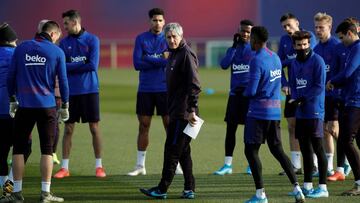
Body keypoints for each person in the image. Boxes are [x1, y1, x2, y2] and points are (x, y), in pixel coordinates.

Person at [0, 20, 68, 203]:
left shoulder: (21, 48)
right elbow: (63, 82)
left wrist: (13, 99)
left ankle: (15, 193)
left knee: (18, 150)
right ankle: (45, 193)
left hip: (25, 106)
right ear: (53, 34)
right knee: (47, 150)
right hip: (47, 107)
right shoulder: (57, 51)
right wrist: (66, 105)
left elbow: (11, 76)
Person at [243, 26, 305, 203]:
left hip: (258, 113)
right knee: (277, 149)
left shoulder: (256, 60)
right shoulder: (275, 57)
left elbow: (252, 91)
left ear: (254, 39)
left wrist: (243, 91)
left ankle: (260, 194)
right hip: (275, 111)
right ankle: (297, 188)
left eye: (250, 39)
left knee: (251, 150)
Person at [139, 22, 201, 199]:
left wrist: (191, 110)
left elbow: (195, 85)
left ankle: (162, 189)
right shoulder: (174, 54)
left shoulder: (186, 54)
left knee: (172, 151)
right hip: (177, 111)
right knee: (183, 152)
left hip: (185, 114)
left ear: (181, 36)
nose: (172, 39)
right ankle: (189, 189)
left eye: (175, 36)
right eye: (169, 37)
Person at [129, 8, 182, 176]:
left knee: (170, 127)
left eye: (160, 20)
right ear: (149, 22)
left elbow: (171, 62)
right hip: (145, 89)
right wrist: (160, 60)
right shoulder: (141, 38)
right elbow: (137, 64)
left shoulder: (170, 38)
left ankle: (177, 164)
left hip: (165, 89)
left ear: (164, 21)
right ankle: (140, 166)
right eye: (154, 20)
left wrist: (148, 58)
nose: (157, 23)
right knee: (143, 126)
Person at [54, 9, 106, 178]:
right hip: (70, 91)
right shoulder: (63, 43)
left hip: (90, 90)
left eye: (66, 24)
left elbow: (93, 65)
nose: (65, 27)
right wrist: (81, 61)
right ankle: (64, 167)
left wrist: (71, 65)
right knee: (68, 129)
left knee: (94, 127)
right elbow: (61, 67)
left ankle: (99, 166)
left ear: (75, 22)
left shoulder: (92, 40)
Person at [289, 30, 329, 198]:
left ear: (309, 44)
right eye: (299, 45)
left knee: (318, 148)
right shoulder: (293, 64)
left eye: (305, 44)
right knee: (305, 149)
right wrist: (293, 100)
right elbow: (293, 85)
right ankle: (307, 185)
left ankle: (323, 188)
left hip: (314, 111)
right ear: (294, 46)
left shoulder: (318, 61)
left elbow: (319, 86)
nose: (303, 47)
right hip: (301, 112)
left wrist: (302, 99)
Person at [213, 19, 255, 176]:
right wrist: (233, 48)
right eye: (243, 31)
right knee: (230, 130)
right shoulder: (234, 49)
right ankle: (227, 165)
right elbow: (224, 65)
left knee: (249, 131)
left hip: (249, 96)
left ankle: (251, 164)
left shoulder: (255, 50)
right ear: (238, 32)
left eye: (248, 31)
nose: (245, 34)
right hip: (234, 96)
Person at [278, 13, 317, 176]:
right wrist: (285, 84)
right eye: (284, 26)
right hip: (293, 90)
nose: (287, 29)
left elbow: (309, 59)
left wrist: (288, 62)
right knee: (292, 126)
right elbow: (278, 64)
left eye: (289, 25)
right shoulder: (284, 41)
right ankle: (295, 165)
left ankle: (314, 164)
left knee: (312, 129)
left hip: (309, 91)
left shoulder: (309, 37)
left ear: (297, 23)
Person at [327, 20, 360, 196]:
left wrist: (332, 81)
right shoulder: (352, 49)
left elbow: (348, 73)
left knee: (345, 140)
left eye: (342, 37)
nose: (341, 41)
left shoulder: (357, 48)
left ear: (349, 33)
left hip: (356, 101)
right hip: (352, 99)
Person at [313, 12, 340, 177]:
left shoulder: (337, 46)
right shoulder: (316, 49)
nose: (318, 30)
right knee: (324, 131)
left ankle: (344, 163)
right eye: (316, 27)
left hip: (335, 96)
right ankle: (329, 167)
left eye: (321, 27)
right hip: (321, 97)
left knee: (336, 131)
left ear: (329, 27)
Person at [37, 19, 61, 165]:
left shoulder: (57, 48)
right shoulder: (32, 46)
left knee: (54, 125)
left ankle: (52, 152)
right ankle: (20, 149)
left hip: (54, 93)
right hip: (36, 92)